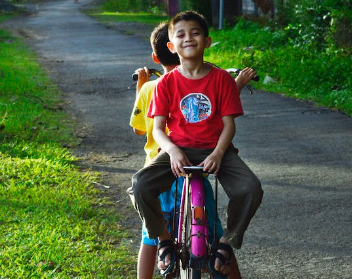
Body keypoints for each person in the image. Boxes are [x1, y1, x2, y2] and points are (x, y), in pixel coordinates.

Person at [129, 16, 261, 278]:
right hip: (176, 149)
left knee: (250, 188)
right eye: (180, 34)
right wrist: (172, 150)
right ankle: (164, 240)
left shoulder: (222, 79)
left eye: (195, 32)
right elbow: (157, 129)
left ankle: (225, 244)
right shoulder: (166, 83)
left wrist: (219, 153)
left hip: (216, 150)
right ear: (171, 46)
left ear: (207, 41)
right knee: (140, 186)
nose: (188, 38)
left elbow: (228, 126)